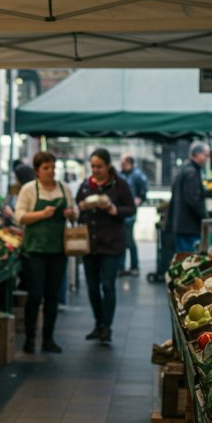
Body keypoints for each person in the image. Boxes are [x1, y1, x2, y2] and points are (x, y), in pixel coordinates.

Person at [14, 151, 75, 354]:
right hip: (35, 250)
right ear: (37, 171)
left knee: (52, 296)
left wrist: (72, 213)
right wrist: (42, 214)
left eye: (52, 167)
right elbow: (20, 217)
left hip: (58, 249)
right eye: (46, 168)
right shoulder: (29, 190)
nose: (50, 171)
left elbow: (75, 212)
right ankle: (30, 339)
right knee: (35, 295)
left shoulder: (64, 189)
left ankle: (48, 338)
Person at [76, 148, 136, 345]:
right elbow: (77, 209)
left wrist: (114, 209)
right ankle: (98, 324)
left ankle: (107, 327)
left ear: (108, 166)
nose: (95, 169)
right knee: (93, 287)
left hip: (111, 244)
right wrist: (81, 209)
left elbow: (131, 209)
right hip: (90, 244)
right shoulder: (86, 185)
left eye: (99, 166)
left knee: (108, 285)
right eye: (93, 166)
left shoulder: (120, 185)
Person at [170, 141, 210, 254]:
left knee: (183, 260)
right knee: (189, 261)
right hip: (189, 227)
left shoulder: (185, 169)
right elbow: (193, 200)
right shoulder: (191, 172)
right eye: (206, 155)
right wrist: (204, 217)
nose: (207, 158)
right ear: (197, 154)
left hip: (183, 226)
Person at [118, 154, 148, 277]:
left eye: (123, 163)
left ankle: (134, 266)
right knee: (122, 241)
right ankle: (121, 267)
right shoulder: (121, 175)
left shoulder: (137, 175)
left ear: (129, 163)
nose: (121, 165)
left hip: (129, 214)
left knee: (129, 241)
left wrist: (139, 199)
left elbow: (144, 190)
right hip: (121, 213)